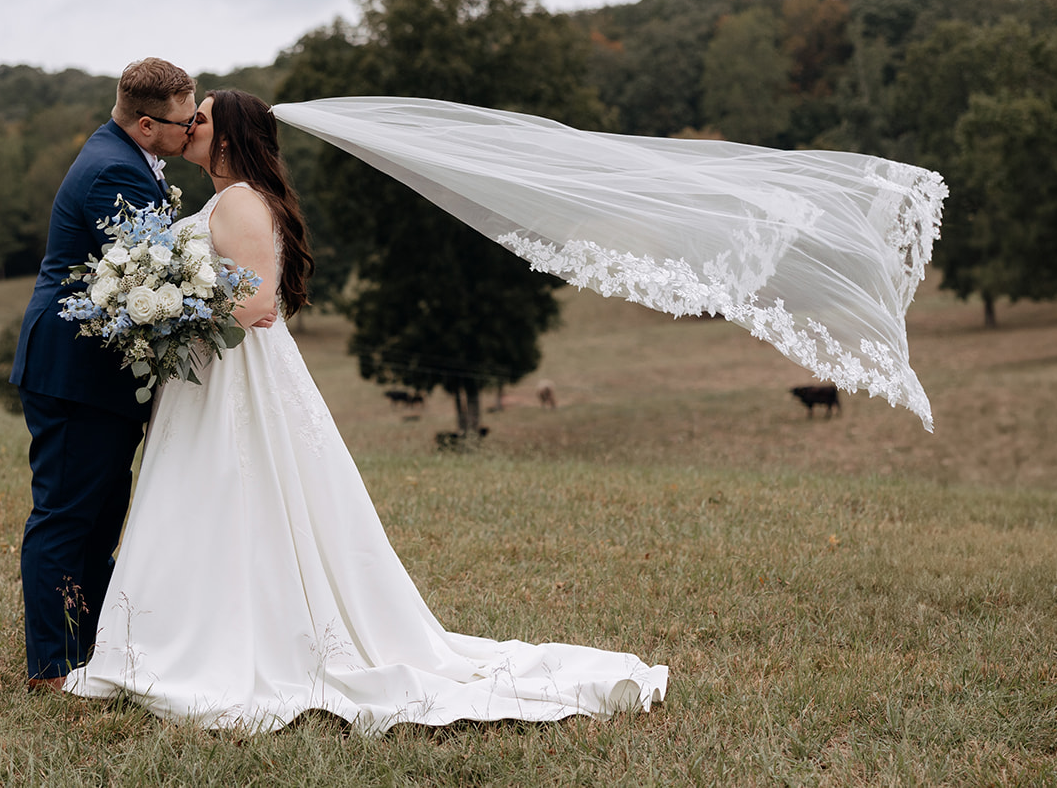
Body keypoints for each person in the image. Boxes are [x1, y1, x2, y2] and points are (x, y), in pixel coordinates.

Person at [63, 89, 668, 733]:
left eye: (202, 119)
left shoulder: (240, 200)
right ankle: (170, 636)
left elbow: (257, 301)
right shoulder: (228, 199)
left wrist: (173, 311)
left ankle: (205, 645)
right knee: (207, 494)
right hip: (209, 373)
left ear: (231, 137)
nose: (190, 127)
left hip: (234, 375)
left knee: (230, 491)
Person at [8, 57, 201, 691]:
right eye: (183, 121)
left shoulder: (123, 155)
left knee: (98, 517)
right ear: (147, 124)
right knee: (67, 515)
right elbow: (153, 271)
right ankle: (50, 666)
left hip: (100, 376)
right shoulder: (113, 171)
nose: (193, 127)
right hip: (75, 372)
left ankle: (87, 652)